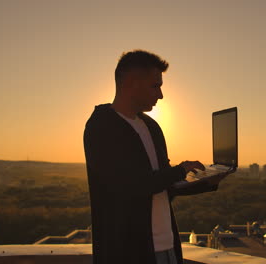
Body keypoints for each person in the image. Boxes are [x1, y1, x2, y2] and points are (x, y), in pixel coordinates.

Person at [83, 50, 229, 264]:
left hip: (167, 247)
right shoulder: (101, 126)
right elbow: (127, 186)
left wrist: (207, 183)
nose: (160, 95)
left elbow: (165, 186)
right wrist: (180, 169)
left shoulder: (151, 127)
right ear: (131, 83)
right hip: (127, 252)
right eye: (155, 86)